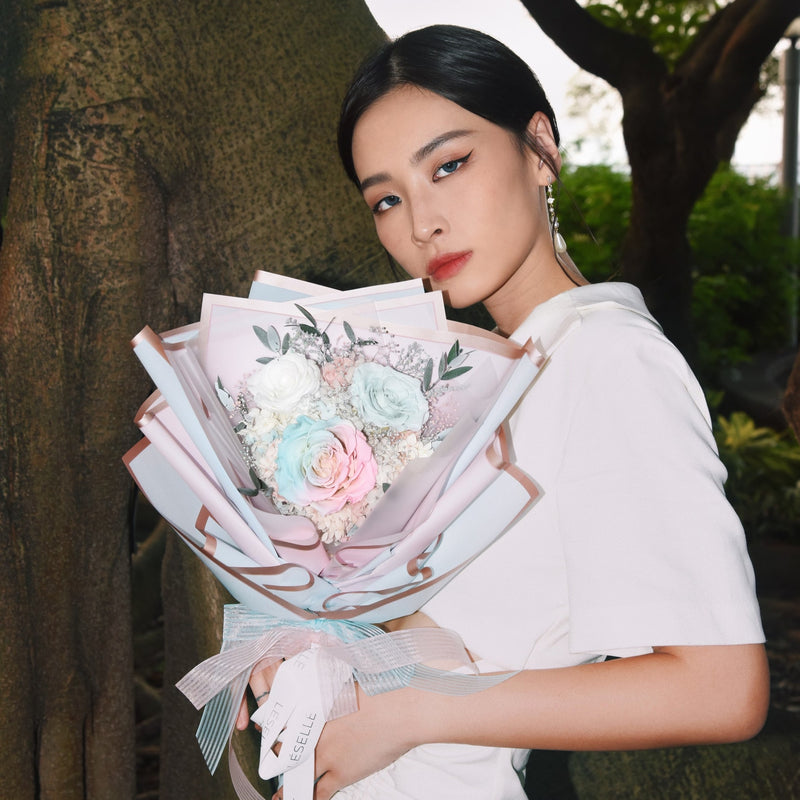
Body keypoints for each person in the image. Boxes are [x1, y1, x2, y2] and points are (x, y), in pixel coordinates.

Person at [239, 24, 769, 800]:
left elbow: (719, 687)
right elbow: (456, 634)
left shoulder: (606, 358)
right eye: (387, 198)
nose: (421, 224)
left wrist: (413, 712)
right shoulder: (477, 378)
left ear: (540, 148)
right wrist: (330, 650)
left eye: (449, 165)